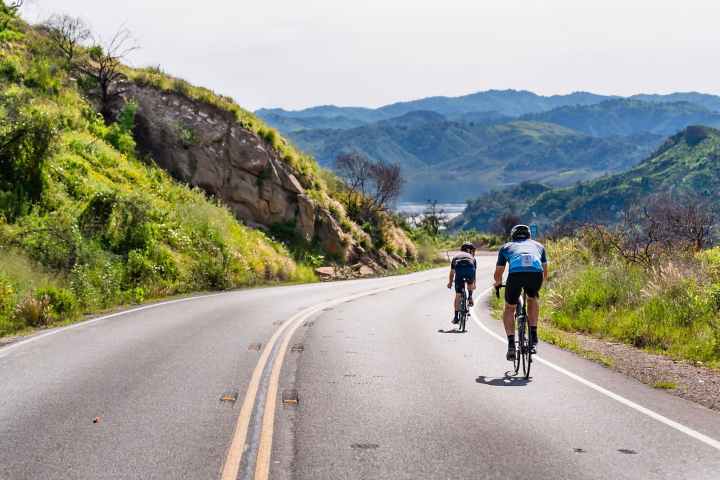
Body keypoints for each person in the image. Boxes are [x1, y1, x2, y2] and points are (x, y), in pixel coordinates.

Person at [494, 225, 548, 361]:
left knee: (509, 307)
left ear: (513, 236)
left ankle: (511, 345)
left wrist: (498, 283)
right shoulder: (539, 246)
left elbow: (498, 273)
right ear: (529, 235)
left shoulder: (506, 247)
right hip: (536, 274)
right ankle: (534, 335)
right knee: (532, 297)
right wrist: (536, 287)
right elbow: (545, 272)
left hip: (516, 275)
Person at [447, 242, 477, 325]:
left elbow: (452, 272)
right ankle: (470, 297)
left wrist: (450, 282)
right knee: (470, 283)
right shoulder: (472, 258)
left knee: (458, 295)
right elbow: (474, 273)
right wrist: (474, 284)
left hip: (459, 270)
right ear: (469, 250)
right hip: (470, 269)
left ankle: (456, 317)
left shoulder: (456, 256)